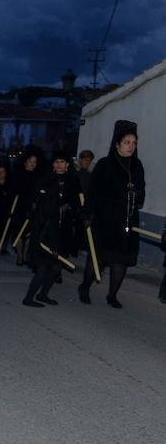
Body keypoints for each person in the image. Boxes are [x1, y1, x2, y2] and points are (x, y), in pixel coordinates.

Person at [78, 120, 145, 308]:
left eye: (134, 143)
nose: (131, 146)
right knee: (98, 258)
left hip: (128, 219)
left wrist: (137, 193)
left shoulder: (137, 165)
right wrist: (88, 214)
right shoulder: (104, 164)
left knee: (121, 261)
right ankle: (84, 287)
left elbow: (142, 191)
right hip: (105, 219)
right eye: (127, 142)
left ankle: (112, 295)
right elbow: (93, 191)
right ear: (117, 144)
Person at [21, 152, 81, 307]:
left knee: (55, 268)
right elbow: (38, 202)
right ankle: (28, 298)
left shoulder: (73, 181)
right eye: (56, 162)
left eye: (62, 162)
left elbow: (77, 203)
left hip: (62, 231)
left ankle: (43, 295)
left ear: (68, 164)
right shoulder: (46, 179)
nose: (59, 165)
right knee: (43, 266)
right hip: (45, 229)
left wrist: (69, 206)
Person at [13, 148, 41, 265]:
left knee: (30, 233)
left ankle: (25, 255)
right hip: (19, 207)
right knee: (18, 233)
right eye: (30, 161)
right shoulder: (18, 175)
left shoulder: (38, 177)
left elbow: (39, 193)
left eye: (35, 161)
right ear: (25, 162)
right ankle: (19, 256)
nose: (32, 164)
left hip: (33, 209)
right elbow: (14, 192)